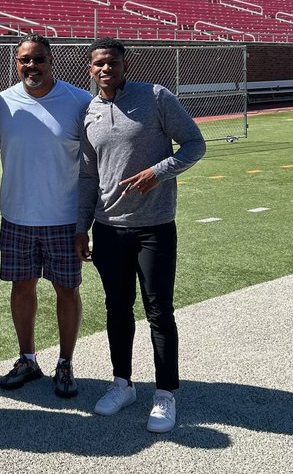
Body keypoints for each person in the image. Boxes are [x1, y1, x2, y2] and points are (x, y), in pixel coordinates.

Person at [75, 37, 206, 433]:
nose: (106, 69)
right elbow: (87, 175)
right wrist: (81, 227)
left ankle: (165, 394)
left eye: (112, 63)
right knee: (117, 308)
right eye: (99, 64)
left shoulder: (155, 97)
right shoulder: (89, 112)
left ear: (125, 65)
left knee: (159, 311)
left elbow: (195, 144)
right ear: (90, 69)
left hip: (154, 227)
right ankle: (122, 383)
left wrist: (157, 172)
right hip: (109, 229)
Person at [0, 36, 91, 398]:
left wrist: (88, 220)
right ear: (16, 63)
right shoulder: (2, 102)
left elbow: (98, 153)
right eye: (23, 61)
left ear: (51, 60)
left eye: (38, 60)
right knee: (22, 288)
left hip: (64, 217)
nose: (31, 67)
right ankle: (27, 358)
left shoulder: (79, 101)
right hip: (16, 215)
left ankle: (65, 362)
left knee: (67, 290)